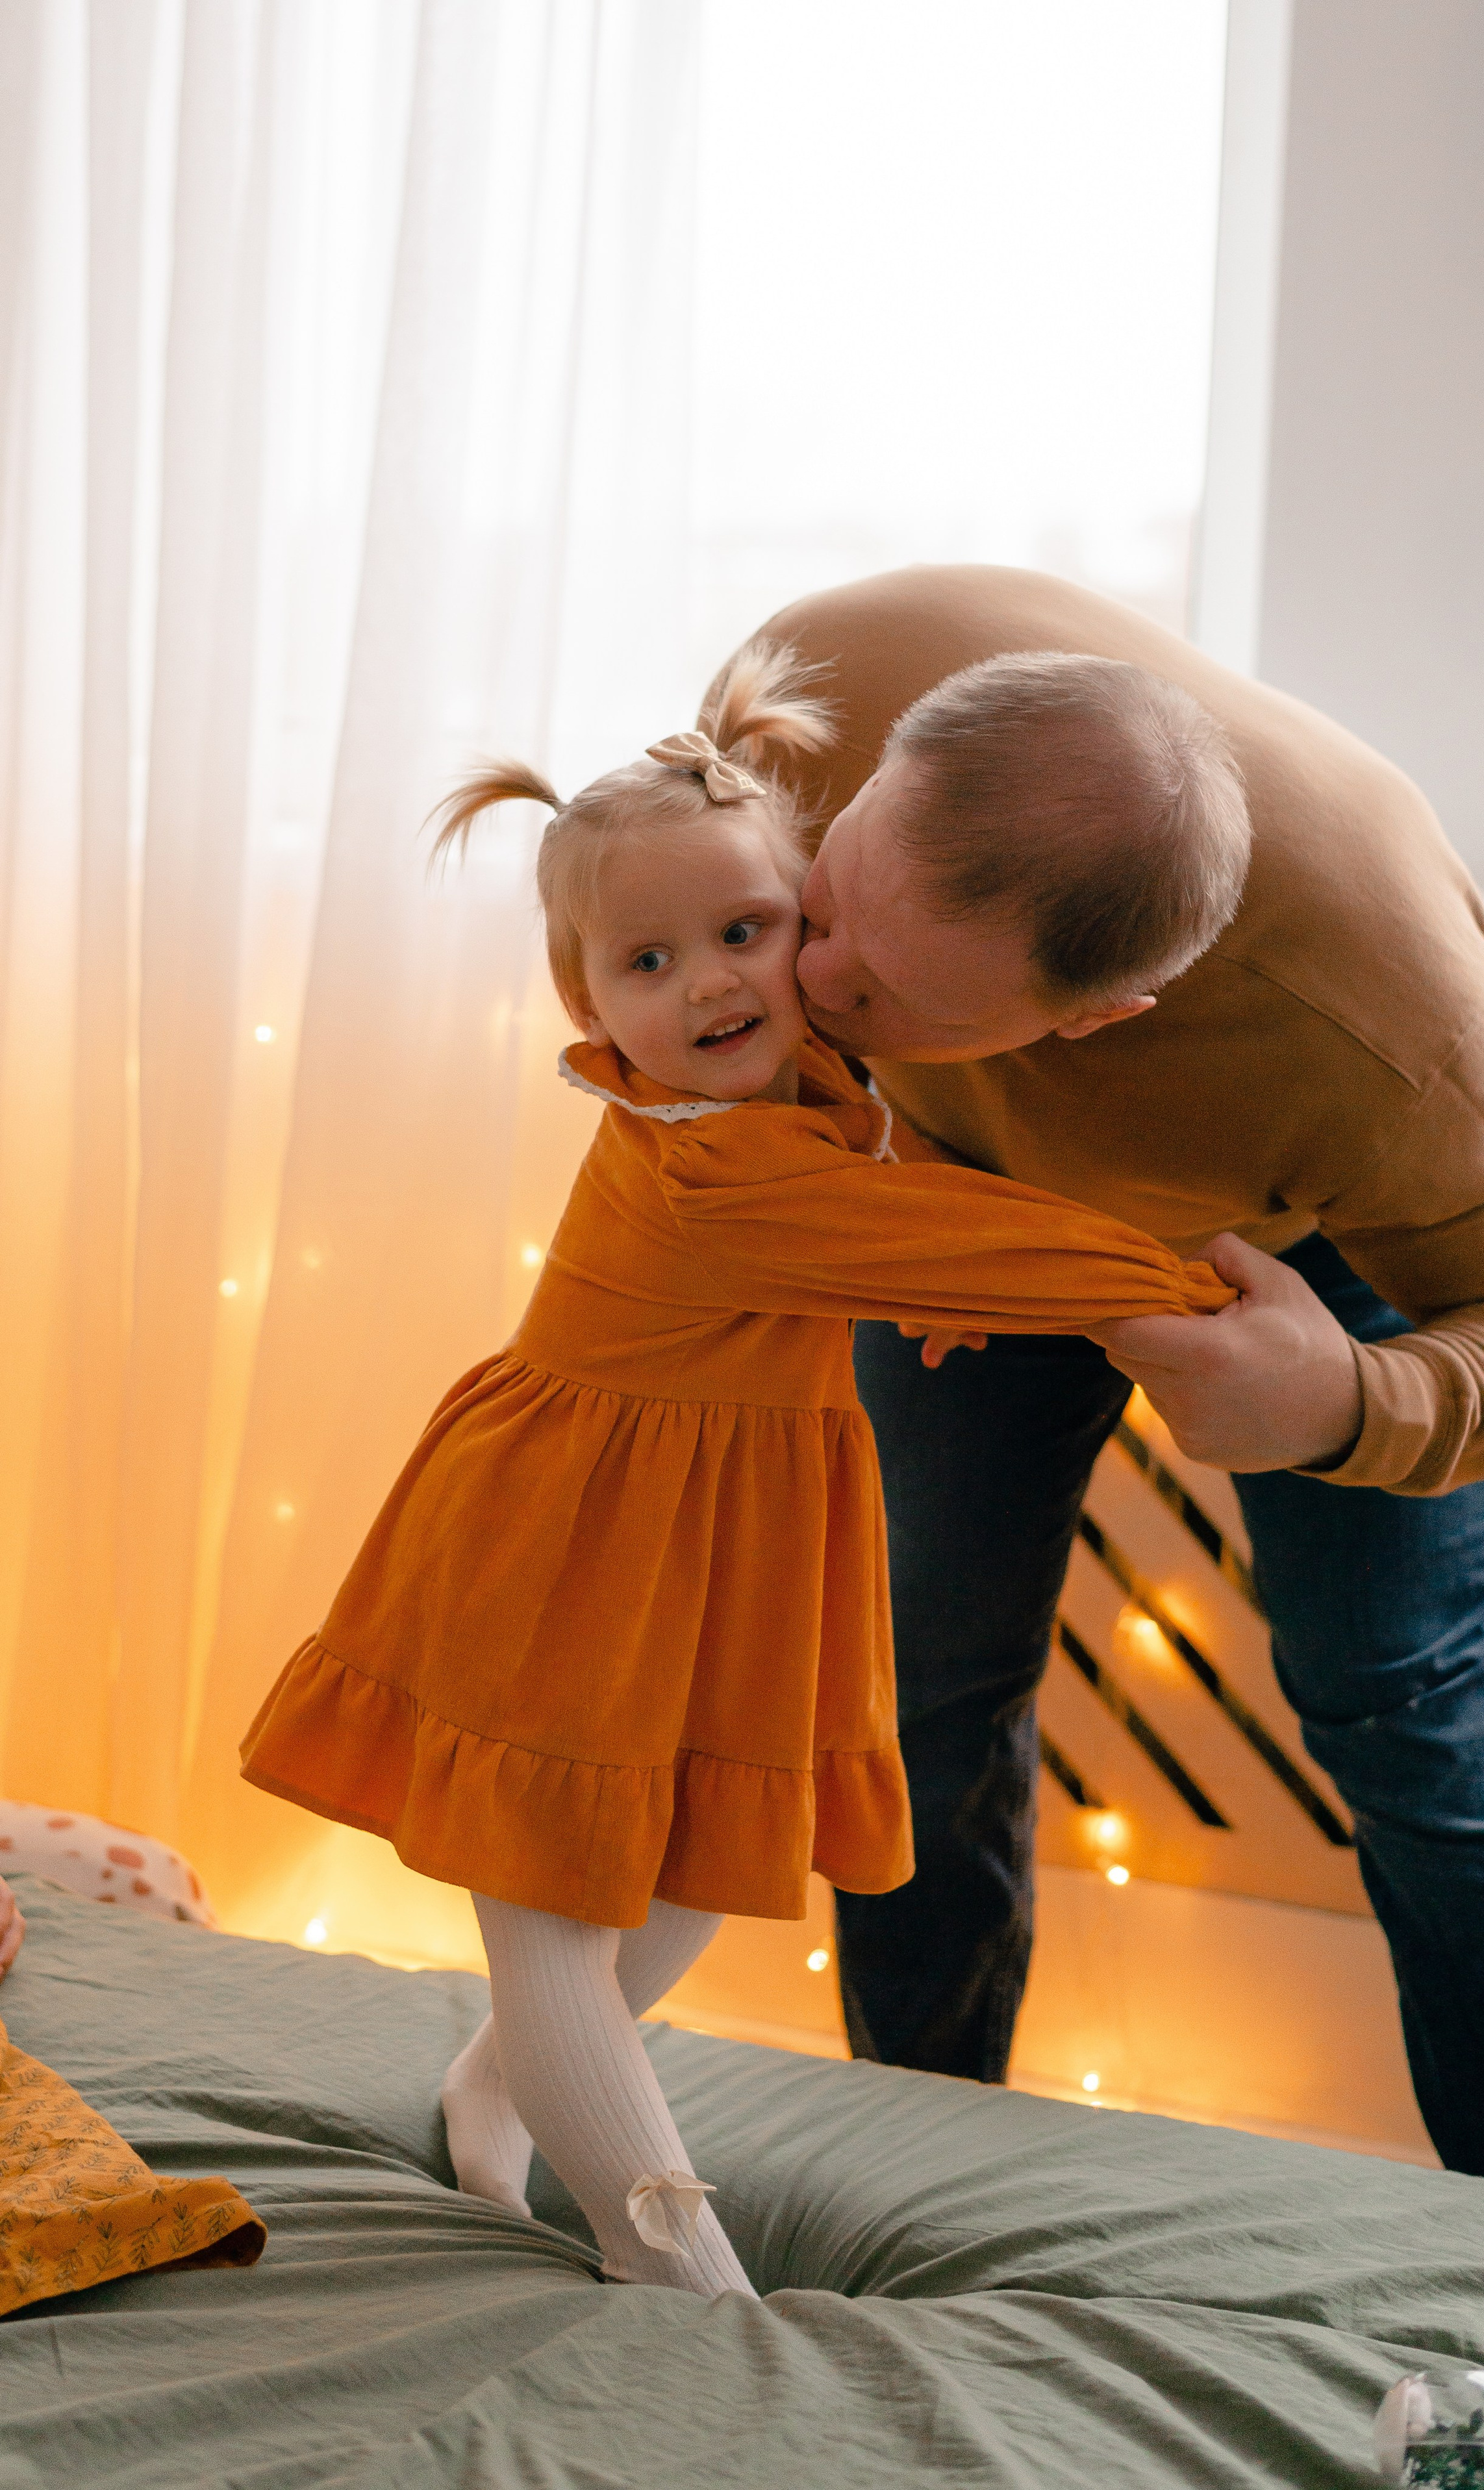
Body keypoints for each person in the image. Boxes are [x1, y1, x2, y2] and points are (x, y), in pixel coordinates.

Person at [240, 644, 1235, 2294]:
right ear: (590, 1009)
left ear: (814, 936)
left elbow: (903, 1208)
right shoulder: (703, 1167)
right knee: (557, 1914)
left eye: (742, 934)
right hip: (569, 1542)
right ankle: (680, 2274)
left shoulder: (823, 1088)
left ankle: (489, 2090)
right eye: (646, 961)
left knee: (697, 1874)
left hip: (731, 1546)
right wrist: (1189, 1285)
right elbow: (953, 1235)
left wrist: (920, 1274)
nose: (706, 984)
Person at [711, 564, 1484, 2210]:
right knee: (910, 1689)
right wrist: (862, 1150)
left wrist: (1341, 1404)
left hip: (1303, 1259)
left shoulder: (1378, 1039)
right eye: (826, 896)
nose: (816, 973)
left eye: (880, 992)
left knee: (1413, 1721)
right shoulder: (813, 683)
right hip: (946, 1189)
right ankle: (914, 2191)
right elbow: (679, 943)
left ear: (1100, 1020)